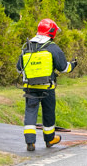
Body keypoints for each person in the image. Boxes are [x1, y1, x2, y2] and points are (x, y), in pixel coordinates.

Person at [17, 18, 77, 150]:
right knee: (48, 113)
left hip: (30, 87)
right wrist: (73, 64)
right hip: (47, 87)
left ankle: (30, 142)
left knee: (30, 112)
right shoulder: (53, 47)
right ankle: (50, 140)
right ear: (52, 32)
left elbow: (19, 68)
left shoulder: (28, 46)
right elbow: (63, 68)